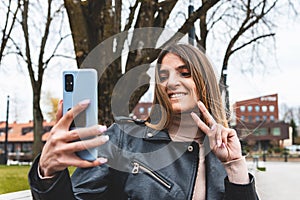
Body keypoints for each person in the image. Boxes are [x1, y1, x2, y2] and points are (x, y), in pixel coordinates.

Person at [28, 43, 258, 200]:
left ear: (204, 81)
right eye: (164, 76)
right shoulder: (124, 139)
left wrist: (235, 165)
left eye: (184, 73)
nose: (170, 83)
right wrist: (47, 173)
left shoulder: (224, 153)